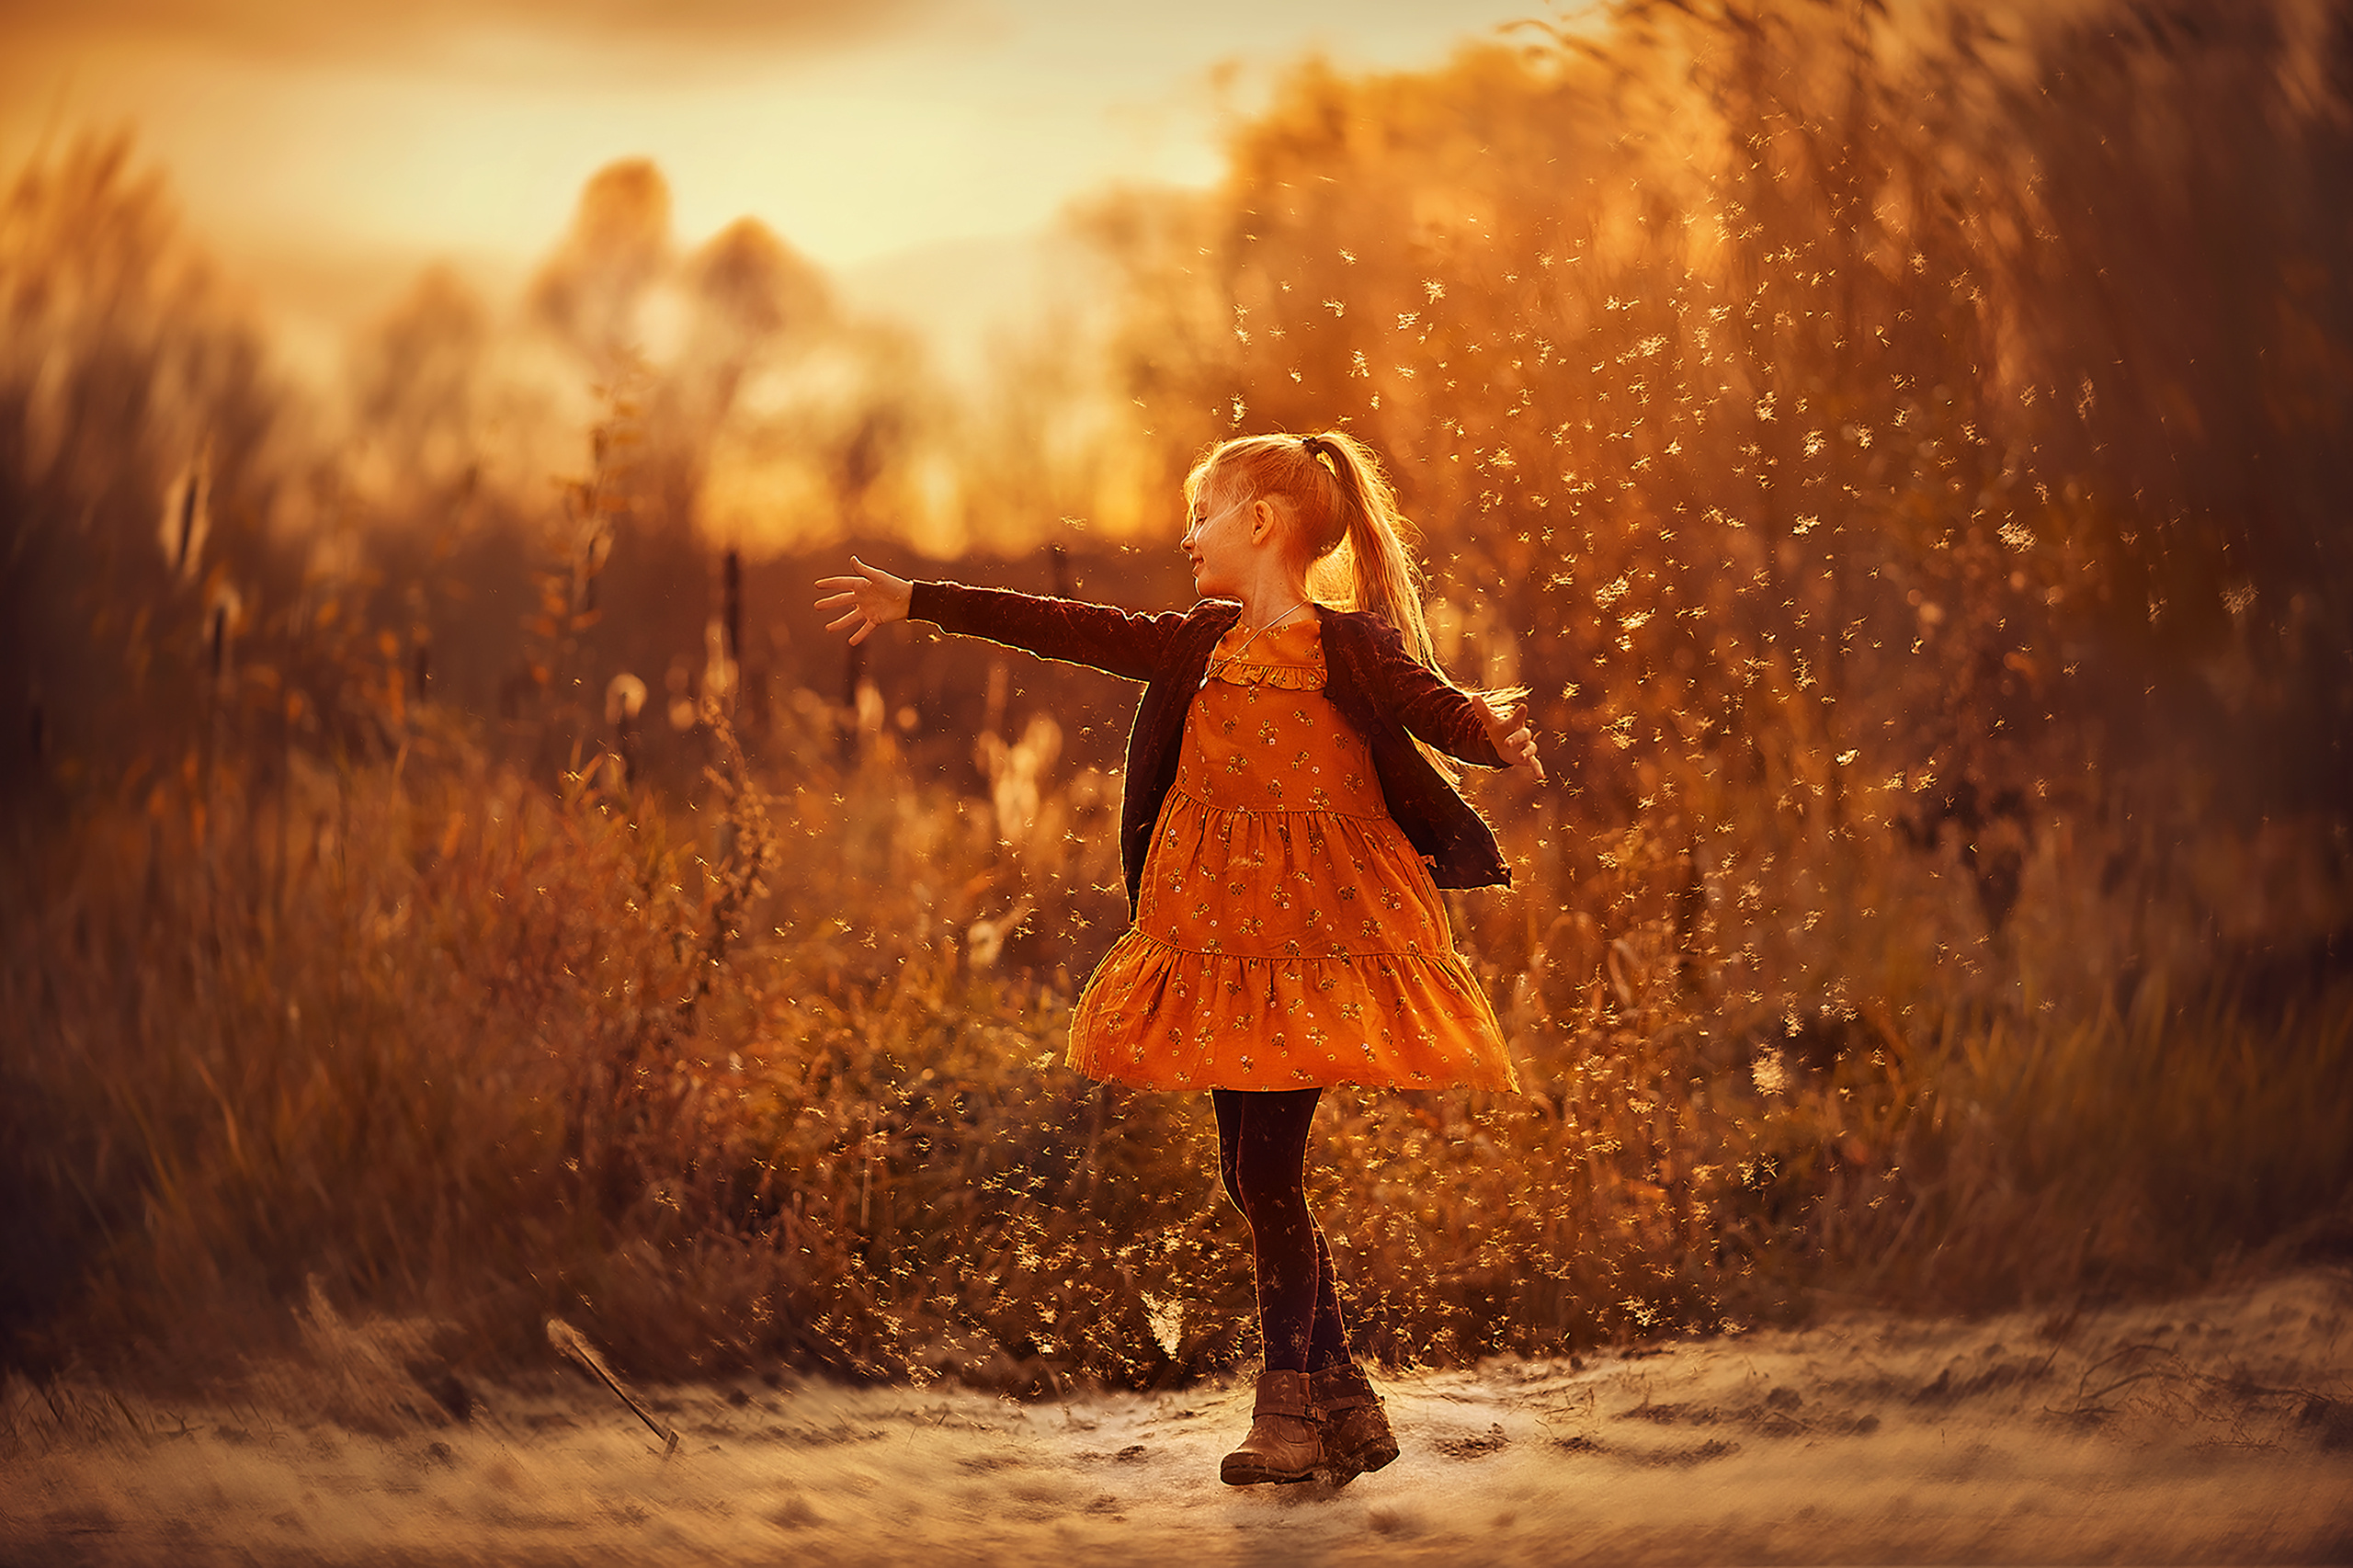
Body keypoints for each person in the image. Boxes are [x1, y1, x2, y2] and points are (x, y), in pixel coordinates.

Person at [816, 430, 1541, 1487]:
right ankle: (1343, 1391)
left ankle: (1285, 1411)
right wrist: (921, 597)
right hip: (1216, 942)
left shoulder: (1350, 646)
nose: (1183, 532)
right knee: (1247, 1176)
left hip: (1317, 942)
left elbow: (1435, 708)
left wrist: (1491, 731)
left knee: (1265, 1171)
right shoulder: (1195, 640)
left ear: (1261, 525)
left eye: (1203, 511)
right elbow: (1062, 625)